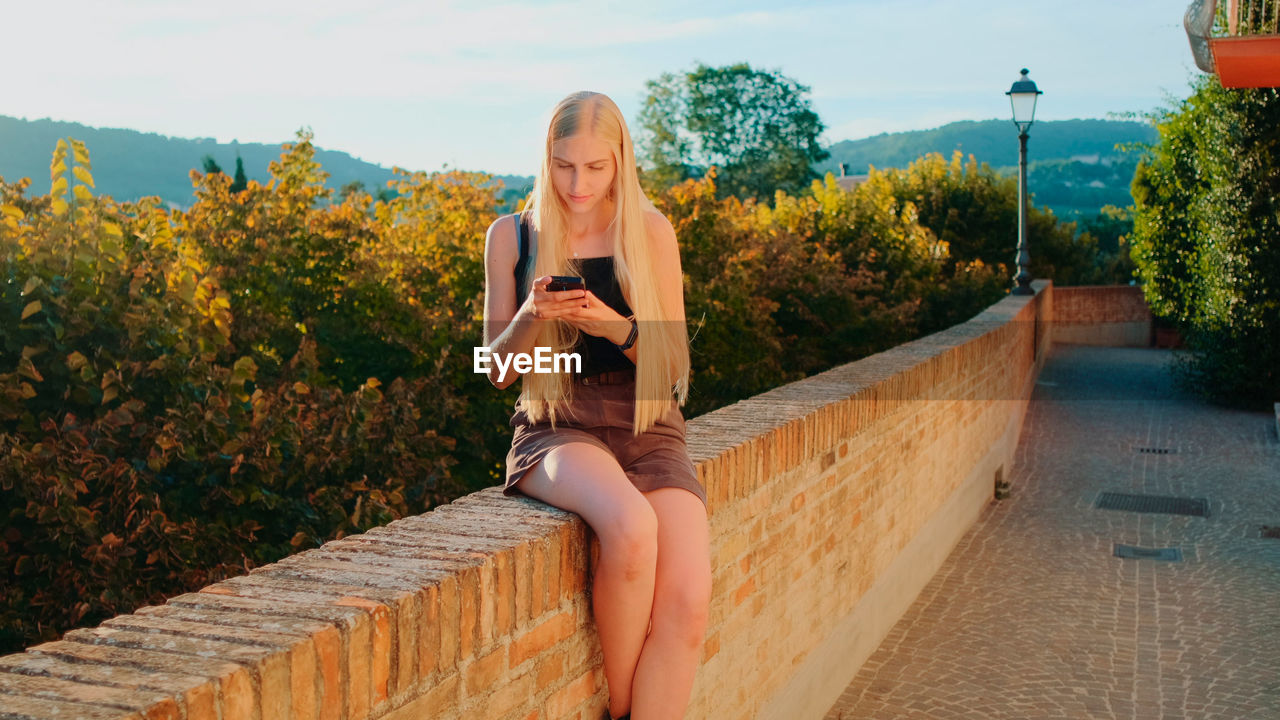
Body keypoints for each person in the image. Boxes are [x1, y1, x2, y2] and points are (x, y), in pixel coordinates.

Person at [481, 91, 711, 720]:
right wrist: (532, 313)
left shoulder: (649, 230)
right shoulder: (512, 235)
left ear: (620, 162)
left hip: (647, 423)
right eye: (563, 166)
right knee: (632, 530)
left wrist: (614, 325)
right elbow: (496, 369)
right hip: (558, 425)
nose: (577, 184)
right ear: (545, 159)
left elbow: (673, 368)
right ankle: (622, 711)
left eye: (595, 167)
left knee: (688, 606)